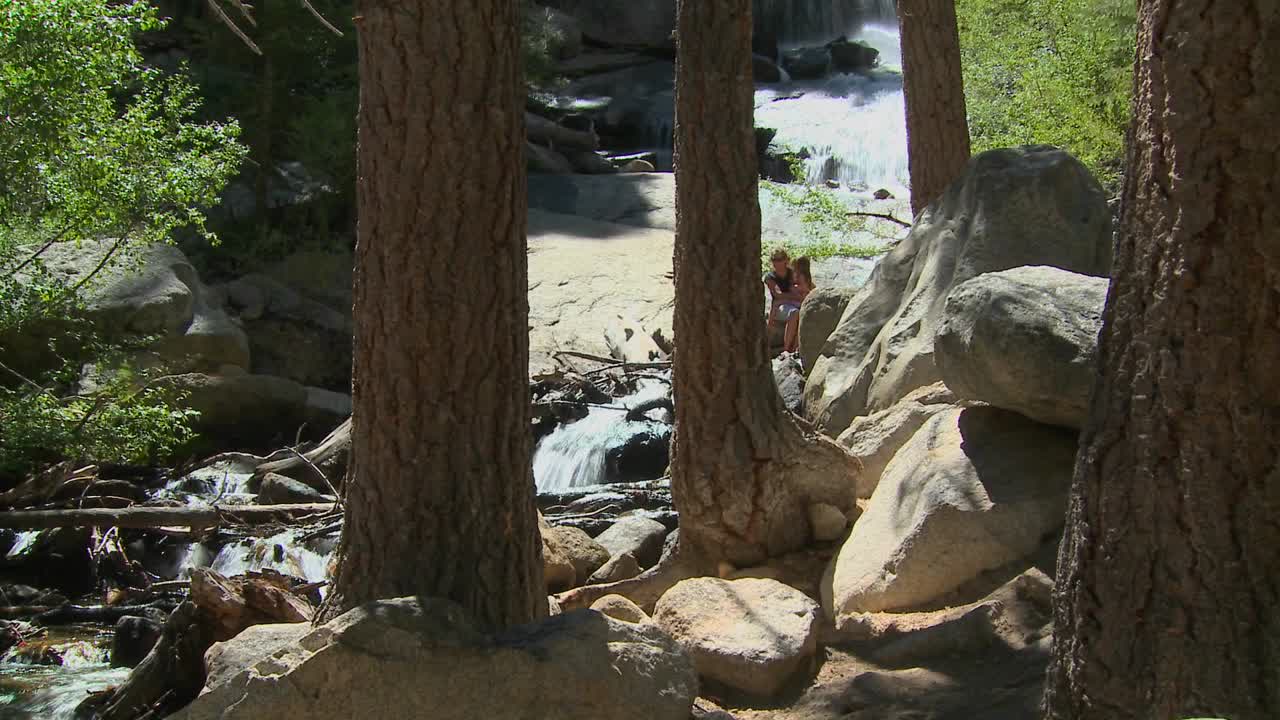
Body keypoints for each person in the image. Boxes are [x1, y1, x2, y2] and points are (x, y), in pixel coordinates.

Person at [764, 247, 800, 341]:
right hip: (780, 306)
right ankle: (786, 349)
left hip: (790, 302)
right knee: (794, 313)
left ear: (785, 260)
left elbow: (805, 287)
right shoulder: (770, 277)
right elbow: (777, 295)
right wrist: (794, 296)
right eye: (774, 260)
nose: (776, 263)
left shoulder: (792, 273)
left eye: (779, 260)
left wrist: (790, 296)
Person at [783, 256, 814, 354]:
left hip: (800, 304)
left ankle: (792, 348)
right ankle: (793, 348)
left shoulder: (802, 277)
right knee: (798, 318)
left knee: (801, 321)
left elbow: (806, 289)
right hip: (797, 304)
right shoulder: (797, 277)